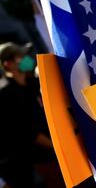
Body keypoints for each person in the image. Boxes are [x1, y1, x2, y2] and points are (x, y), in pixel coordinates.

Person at [0, 42, 53, 187]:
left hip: (55, 149)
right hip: (40, 160)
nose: (26, 59)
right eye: (21, 57)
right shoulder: (6, 95)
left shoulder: (33, 83)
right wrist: (55, 146)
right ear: (8, 65)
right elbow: (27, 132)